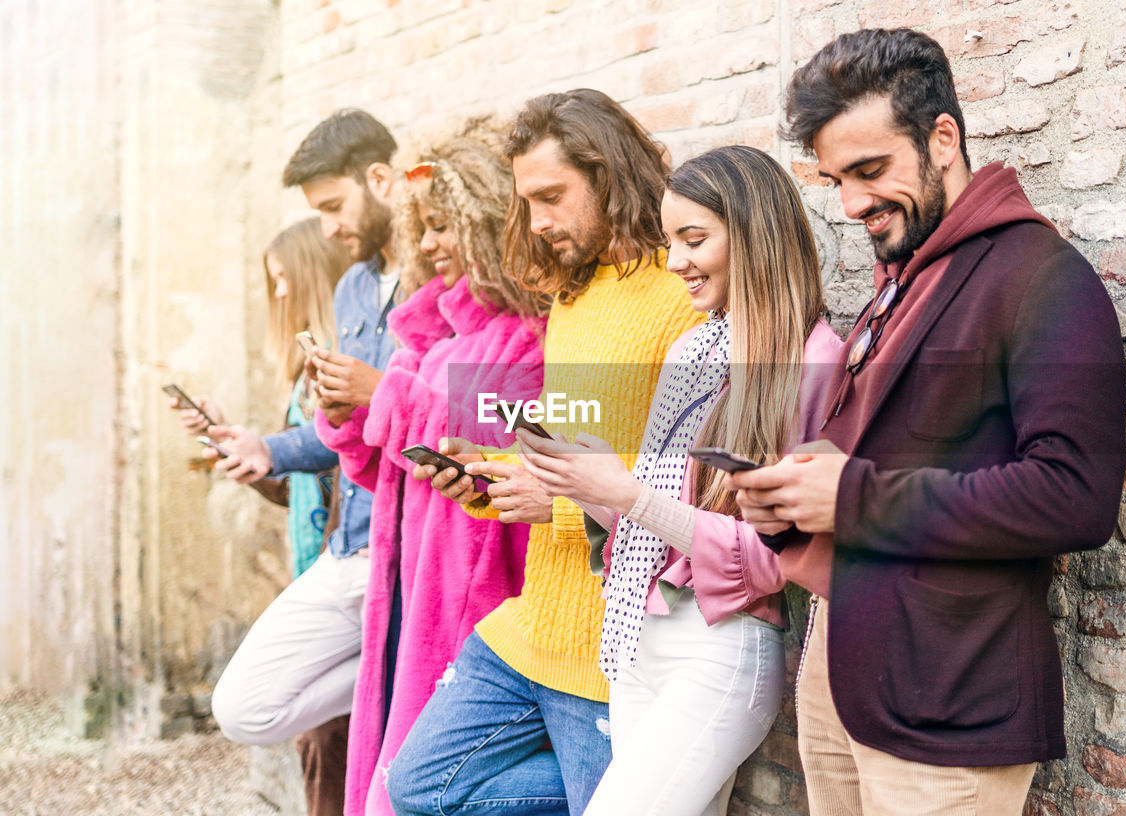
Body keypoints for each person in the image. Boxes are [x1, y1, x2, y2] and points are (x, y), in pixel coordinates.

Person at [726, 28, 1126, 816]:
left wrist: (850, 496)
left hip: (950, 702)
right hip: (842, 668)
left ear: (943, 138)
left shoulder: (1044, 278)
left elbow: (1077, 495)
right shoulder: (900, 280)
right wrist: (795, 490)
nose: (851, 204)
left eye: (870, 170)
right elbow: (892, 452)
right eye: (837, 179)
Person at [385, 89, 702, 816]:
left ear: (608, 172)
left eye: (552, 197)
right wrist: (500, 477)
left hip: (611, 650)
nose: (538, 222)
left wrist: (558, 502)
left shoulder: (681, 295)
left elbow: (690, 484)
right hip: (532, 624)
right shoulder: (573, 295)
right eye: (527, 202)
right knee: (418, 786)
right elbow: (577, 445)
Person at [517, 145, 844, 816]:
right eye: (670, 242)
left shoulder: (814, 359)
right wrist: (587, 483)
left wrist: (626, 492)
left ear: (755, 236)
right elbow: (656, 521)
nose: (674, 263)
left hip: (721, 647)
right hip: (641, 634)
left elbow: (773, 556)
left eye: (693, 239)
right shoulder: (692, 349)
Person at [313, 120, 549, 816]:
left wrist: (378, 392)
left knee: (431, 782)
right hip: (405, 581)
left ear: (487, 223)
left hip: (468, 591)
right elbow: (385, 475)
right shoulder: (432, 331)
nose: (429, 245)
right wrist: (346, 412)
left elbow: (483, 445)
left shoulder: (527, 338)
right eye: (424, 227)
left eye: (444, 226)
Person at [203, 111, 404, 816]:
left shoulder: (438, 290)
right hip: (348, 548)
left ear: (380, 179)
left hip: (414, 555)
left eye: (333, 207)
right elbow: (336, 430)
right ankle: (394, 664)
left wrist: (383, 392)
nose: (328, 229)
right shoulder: (353, 291)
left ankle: (402, 667)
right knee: (244, 706)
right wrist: (269, 449)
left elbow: (473, 408)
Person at [168, 216, 351, 816]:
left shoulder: (345, 370)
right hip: (314, 572)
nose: (278, 294)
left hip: (346, 576)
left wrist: (270, 449)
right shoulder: (304, 375)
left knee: (328, 744)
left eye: (283, 279)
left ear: (314, 275)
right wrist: (233, 445)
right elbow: (295, 489)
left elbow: (337, 471)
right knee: (317, 744)